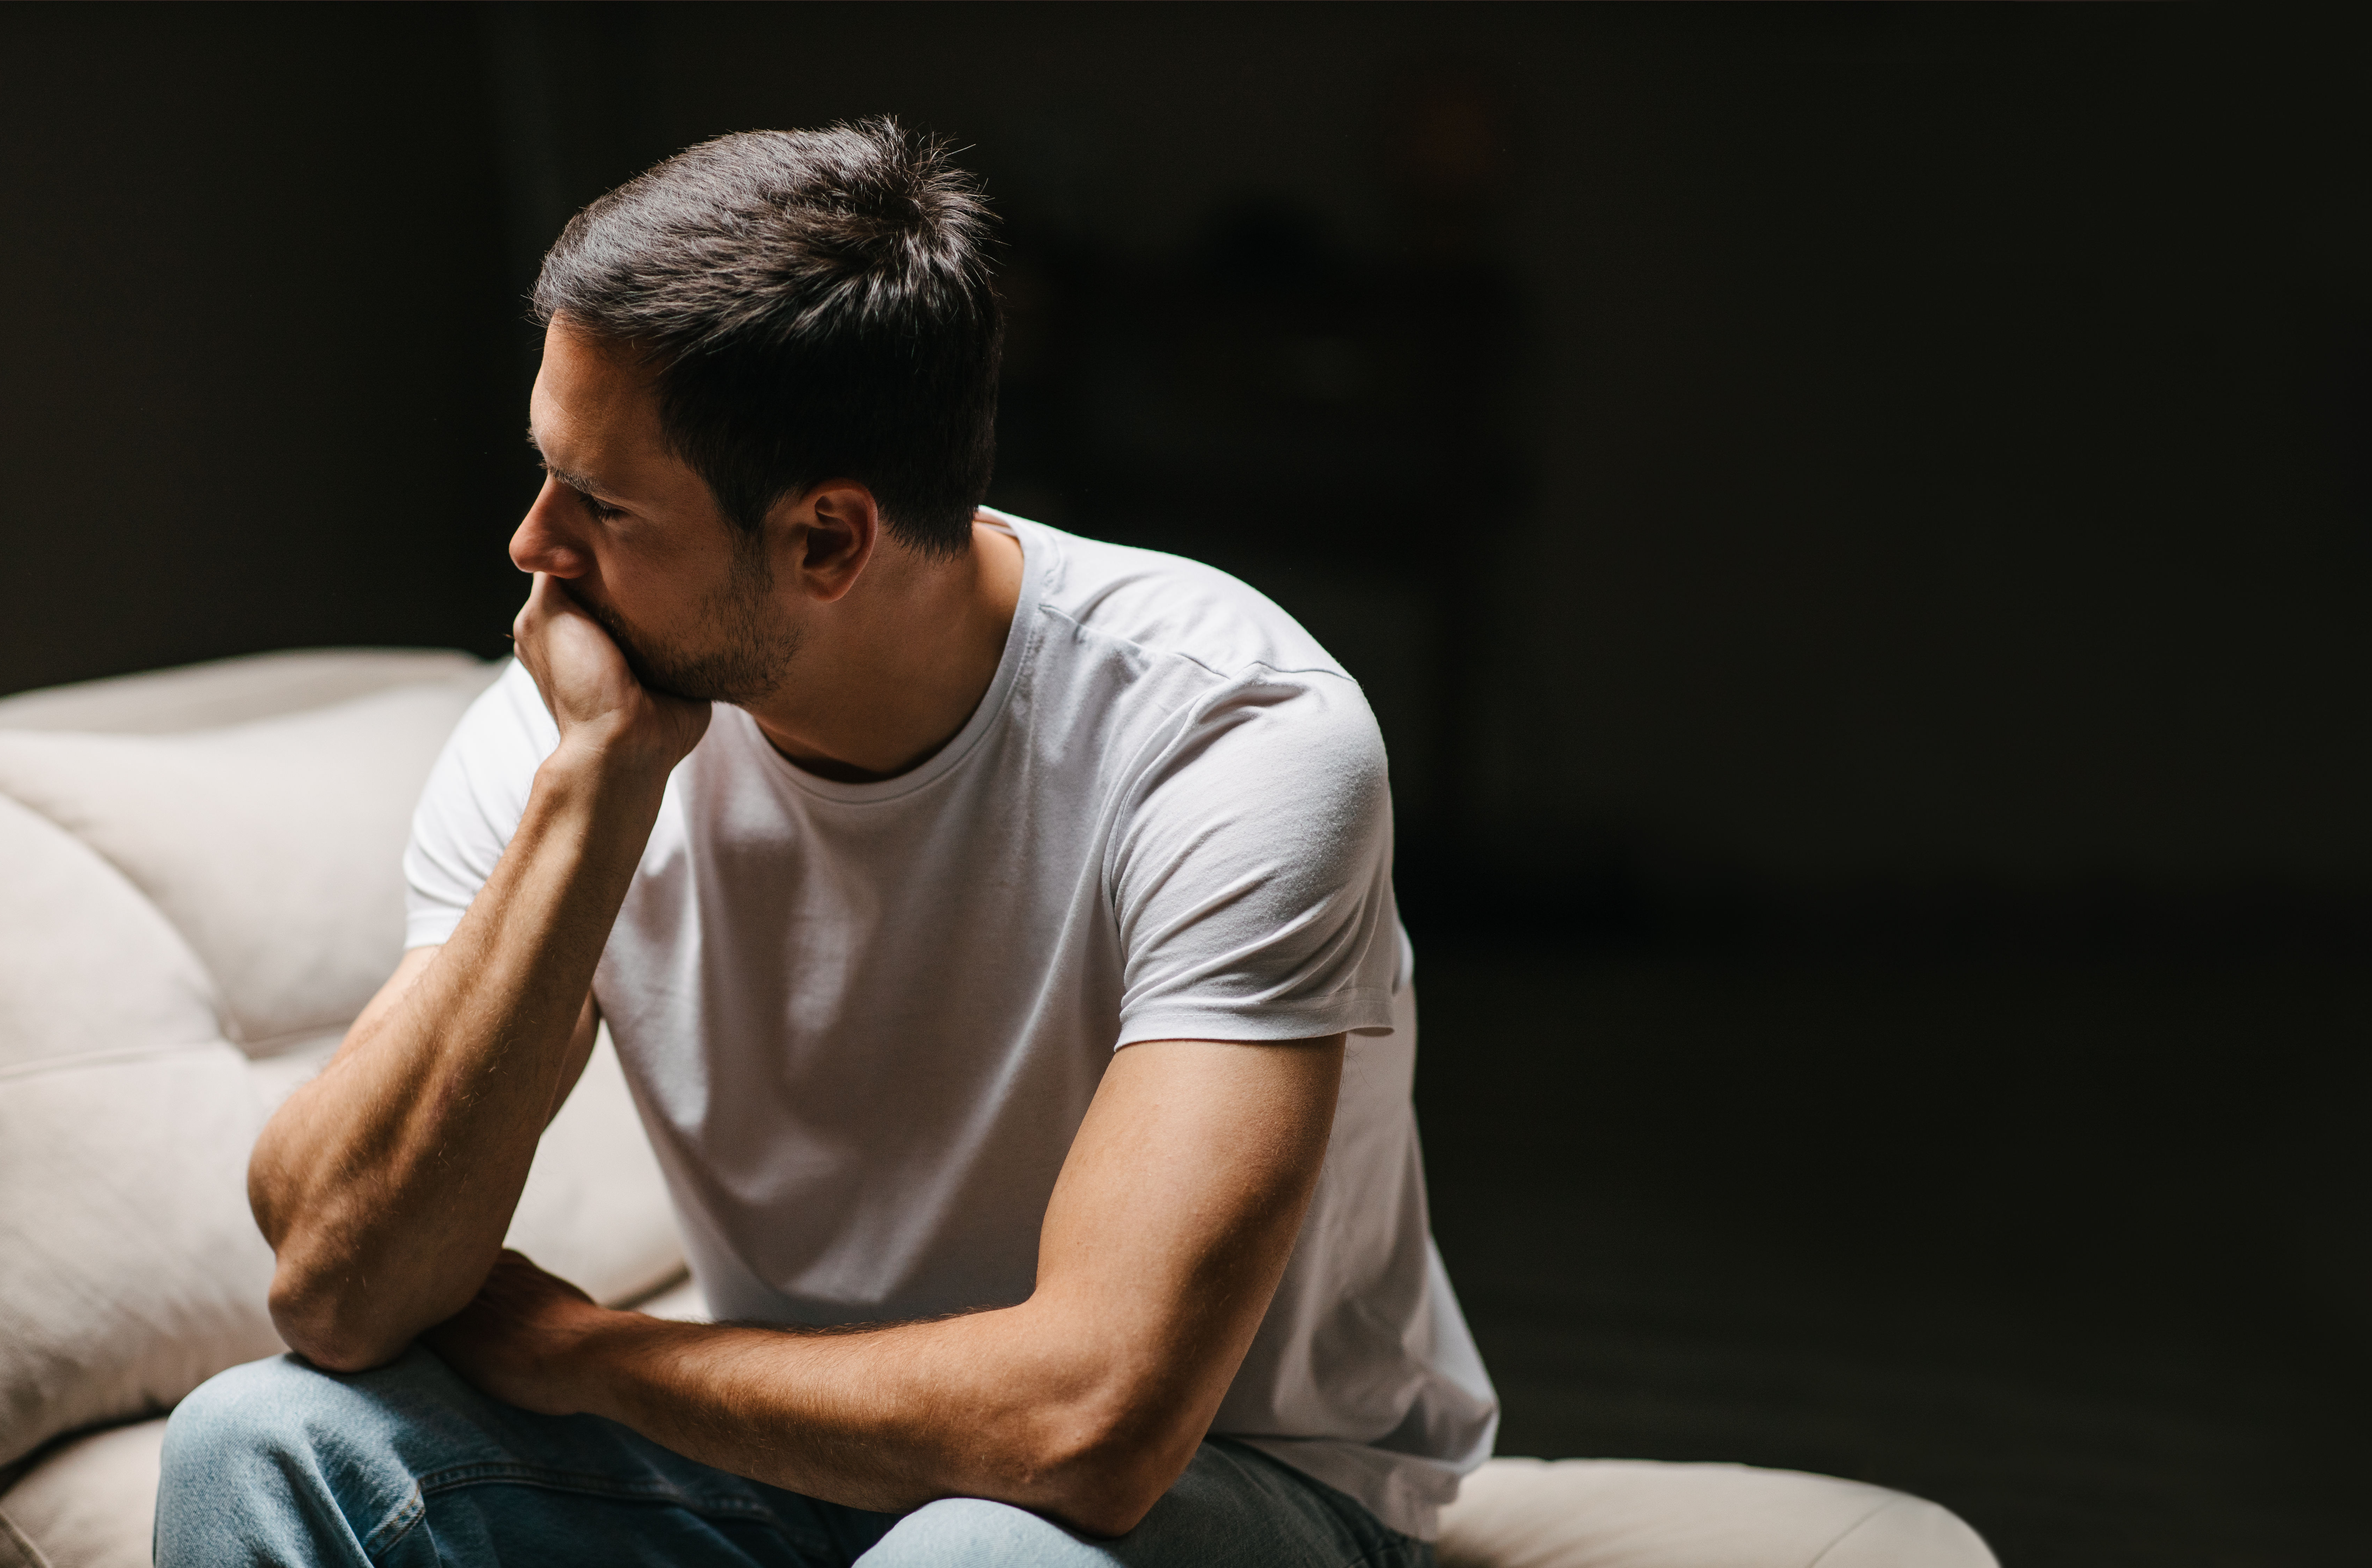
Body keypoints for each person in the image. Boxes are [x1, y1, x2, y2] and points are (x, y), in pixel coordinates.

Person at [158, 117, 1496, 1568]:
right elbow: (338, 1291)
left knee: (970, 1558)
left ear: (826, 543)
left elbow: (1093, 1426)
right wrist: (596, 790)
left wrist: (592, 1357)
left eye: (600, 504)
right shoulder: (578, 724)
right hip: (783, 1463)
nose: (531, 547)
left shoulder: (1229, 739)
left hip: (1234, 1489)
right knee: (259, 1443)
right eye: (544, 471)